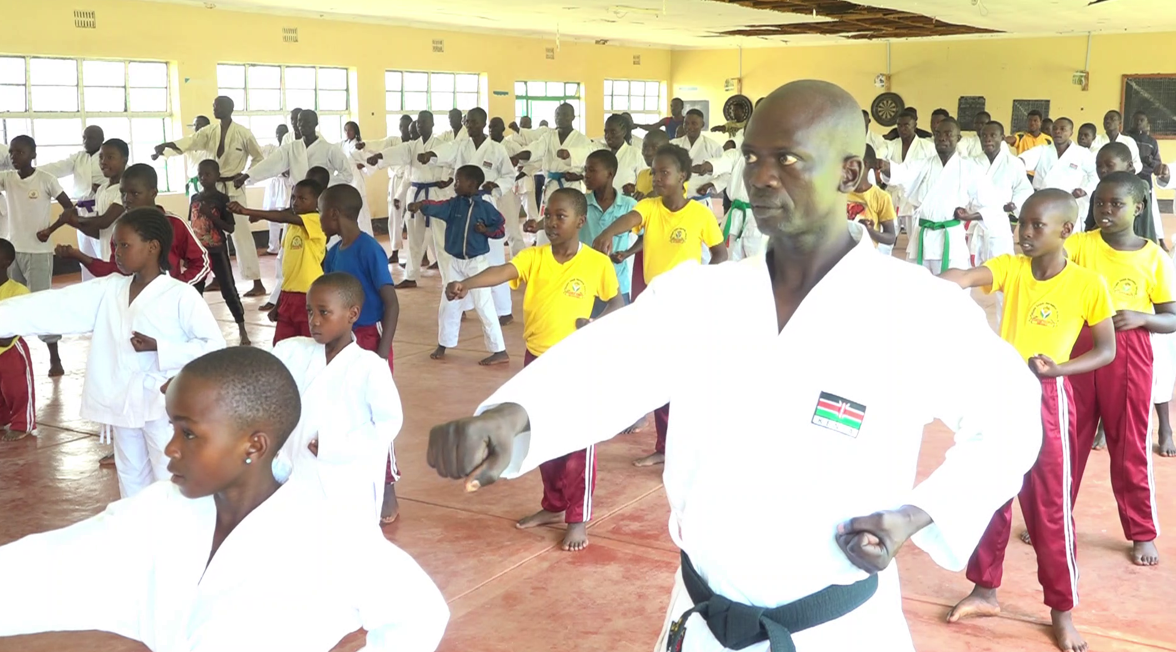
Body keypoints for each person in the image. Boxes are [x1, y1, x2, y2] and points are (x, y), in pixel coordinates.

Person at [424, 80, 1042, 652]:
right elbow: (605, 364)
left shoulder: (914, 307)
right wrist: (512, 416)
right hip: (703, 619)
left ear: (850, 172)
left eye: (788, 159)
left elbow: (1011, 419)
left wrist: (917, 515)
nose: (761, 178)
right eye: (752, 158)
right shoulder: (702, 295)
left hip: (836, 629)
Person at [0, 346, 449, 652]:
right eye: (173, 429)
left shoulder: (330, 531)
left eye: (189, 433)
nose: (171, 448)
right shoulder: (160, 510)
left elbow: (421, 612)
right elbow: (45, 566)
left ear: (254, 445)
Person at [941, 189, 1116, 652]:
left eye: (1039, 225)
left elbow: (1106, 350)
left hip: (1048, 399)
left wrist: (1060, 370)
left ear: (1066, 231)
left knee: (1050, 508)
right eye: (1023, 223)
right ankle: (984, 590)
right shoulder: (1012, 268)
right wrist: (936, 283)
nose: (1026, 233)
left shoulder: (1088, 284)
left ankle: (1062, 612)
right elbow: (964, 276)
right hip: (1002, 394)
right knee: (992, 496)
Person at [0, 208, 225, 497]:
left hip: (163, 406)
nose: (116, 253)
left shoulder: (180, 294)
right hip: (122, 402)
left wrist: (161, 348)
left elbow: (214, 348)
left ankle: (175, 524)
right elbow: (55, 306)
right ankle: (136, 523)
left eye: (124, 245)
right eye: (115, 245)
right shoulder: (110, 289)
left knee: (170, 475)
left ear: (153, 247)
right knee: (130, 476)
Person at [445, 188, 622, 551]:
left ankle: (577, 517)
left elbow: (616, 302)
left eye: (561, 216)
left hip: (576, 363)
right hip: (536, 362)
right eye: (548, 216)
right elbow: (501, 271)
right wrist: (467, 284)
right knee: (540, 437)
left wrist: (597, 324)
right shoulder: (534, 257)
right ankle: (553, 504)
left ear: (580, 221)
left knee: (576, 440)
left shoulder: (596, 263)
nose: (552, 223)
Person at [593, 143, 728, 467]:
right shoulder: (650, 207)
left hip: (687, 308)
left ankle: (690, 449)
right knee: (660, 376)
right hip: (655, 306)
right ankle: (665, 448)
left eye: (664, 172)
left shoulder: (700, 214)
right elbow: (632, 219)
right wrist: (609, 232)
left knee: (686, 379)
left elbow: (720, 254)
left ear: (683, 176)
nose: (656, 178)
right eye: (653, 172)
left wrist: (703, 285)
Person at [1068, 172, 1176, 568]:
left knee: (1129, 441)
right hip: (1080, 344)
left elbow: (1171, 317)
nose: (1107, 210)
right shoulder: (1080, 245)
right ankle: (1054, 516)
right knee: (1068, 438)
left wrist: (1142, 318)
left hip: (1129, 350)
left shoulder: (1154, 257)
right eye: (1100, 203)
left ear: (1138, 208)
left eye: (1117, 204)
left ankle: (1141, 531)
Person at [272, 272, 403, 527]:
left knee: (339, 540)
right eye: (310, 311)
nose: (314, 321)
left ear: (352, 314)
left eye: (324, 312)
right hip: (293, 473)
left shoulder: (370, 367)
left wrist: (335, 446)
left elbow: (388, 423)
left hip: (345, 479)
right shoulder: (290, 351)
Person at [319, 184, 403, 523]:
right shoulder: (334, 252)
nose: (319, 220)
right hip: (343, 339)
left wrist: (380, 356)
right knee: (346, 407)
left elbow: (391, 303)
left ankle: (388, 487)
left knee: (375, 413)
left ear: (334, 214)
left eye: (321, 213)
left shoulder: (369, 249)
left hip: (371, 336)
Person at [153, 96, 267, 298]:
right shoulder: (209, 132)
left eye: (218, 106)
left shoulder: (243, 133)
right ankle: (216, 278)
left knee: (241, 234)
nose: (215, 108)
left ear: (230, 108)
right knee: (211, 233)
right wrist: (168, 145)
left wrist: (247, 175)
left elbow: (259, 157)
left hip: (234, 188)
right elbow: (191, 141)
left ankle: (257, 282)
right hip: (212, 188)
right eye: (213, 105)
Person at [423, 107, 518, 323]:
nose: (469, 125)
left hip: (484, 205)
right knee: (460, 255)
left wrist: (496, 186)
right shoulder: (460, 146)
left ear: (483, 123)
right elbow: (446, 151)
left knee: (494, 258)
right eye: (467, 122)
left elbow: (509, 175)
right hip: (462, 207)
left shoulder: (496, 149)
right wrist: (432, 155)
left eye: (474, 122)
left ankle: (503, 309)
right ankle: (462, 304)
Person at [55, 162, 211, 293]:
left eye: (135, 193)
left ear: (153, 193)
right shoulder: (121, 229)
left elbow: (202, 262)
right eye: (122, 193)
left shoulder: (173, 223)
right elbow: (115, 271)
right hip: (134, 303)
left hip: (168, 305)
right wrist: (79, 256)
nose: (126, 199)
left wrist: (177, 287)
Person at [408, 165, 508, 365]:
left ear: (472, 184)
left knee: (484, 305)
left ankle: (499, 350)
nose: (455, 184)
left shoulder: (485, 207)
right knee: (449, 303)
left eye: (458, 181)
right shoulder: (454, 205)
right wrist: (421, 205)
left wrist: (485, 231)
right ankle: (444, 343)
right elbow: (437, 206)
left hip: (476, 265)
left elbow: (500, 229)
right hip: (455, 262)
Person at [880, 118, 1005, 274]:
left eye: (948, 134)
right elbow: (901, 172)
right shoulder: (923, 164)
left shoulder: (969, 168)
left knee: (952, 285)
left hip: (951, 241)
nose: (942, 138)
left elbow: (991, 205)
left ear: (958, 138)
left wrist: (969, 216)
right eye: (938, 134)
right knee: (917, 285)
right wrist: (884, 167)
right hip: (922, 238)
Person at [0, 136, 76, 378]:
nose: (14, 157)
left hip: (39, 253)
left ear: (33, 154)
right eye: (12, 152)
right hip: (14, 253)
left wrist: (50, 230)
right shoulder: (7, 178)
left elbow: (69, 208)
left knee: (41, 304)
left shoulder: (45, 179)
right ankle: (10, 353)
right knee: (11, 303)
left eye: (20, 152)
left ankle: (55, 357)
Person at [230, 179, 326, 345]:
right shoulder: (292, 227)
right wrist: (278, 303)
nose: (296, 202)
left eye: (302, 199)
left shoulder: (316, 220)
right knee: (281, 345)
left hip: (309, 295)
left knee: (309, 345)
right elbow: (289, 273)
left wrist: (247, 211)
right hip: (288, 295)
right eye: (293, 197)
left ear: (318, 202)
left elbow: (283, 216)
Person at [369, 110, 453, 289]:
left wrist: (449, 180)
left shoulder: (442, 145)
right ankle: (411, 276)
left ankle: (449, 279)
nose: (420, 125)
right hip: (415, 194)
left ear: (432, 124)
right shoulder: (412, 146)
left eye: (424, 122)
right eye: (419, 122)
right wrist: (380, 156)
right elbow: (397, 152)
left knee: (440, 239)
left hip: (435, 194)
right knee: (414, 238)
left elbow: (453, 162)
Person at [189, 160, 250, 345]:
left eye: (207, 174)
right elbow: (192, 223)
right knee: (194, 291)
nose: (203, 177)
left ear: (216, 176)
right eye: (200, 174)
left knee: (228, 289)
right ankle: (193, 329)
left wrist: (210, 214)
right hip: (198, 253)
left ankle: (242, 328)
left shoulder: (222, 199)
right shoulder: (194, 198)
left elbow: (230, 228)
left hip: (217, 250)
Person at [36, 125, 105, 278]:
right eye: (84, 138)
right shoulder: (78, 157)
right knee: (85, 256)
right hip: (81, 210)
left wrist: (103, 188)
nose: (86, 141)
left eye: (90, 138)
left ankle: (108, 286)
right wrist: (33, 170)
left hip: (102, 210)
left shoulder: (109, 157)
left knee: (103, 254)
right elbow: (57, 168)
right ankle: (88, 286)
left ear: (102, 139)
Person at [235, 110, 353, 190]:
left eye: (307, 122)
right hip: (298, 198)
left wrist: (323, 183)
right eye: (299, 121)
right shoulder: (291, 147)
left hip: (322, 198)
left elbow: (347, 175)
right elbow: (271, 163)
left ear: (316, 123)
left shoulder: (329, 149)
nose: (302, 125)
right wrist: (247, 176)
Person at [973, 121, 1033, 269]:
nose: (988, 139)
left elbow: (1023, 188)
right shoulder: (971, 163)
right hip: (974, 221)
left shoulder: (1014, 163)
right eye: (984, 136)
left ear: (1002, 138)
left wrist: (1014, 204)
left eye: (993, 135)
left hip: (999, 221)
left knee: (1002, 267)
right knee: (971, 267)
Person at [512, 103, 594, 210]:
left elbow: (589, 164)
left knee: (570, 215)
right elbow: (535, 149)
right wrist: (517, 157)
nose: (560, 118)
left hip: (571, 186)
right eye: (557, 114)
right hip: (551, 186)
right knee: (549, 216)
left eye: (565, 114)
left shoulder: (583, 140)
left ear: (573, 117)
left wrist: (579, 176)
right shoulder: (548, 137)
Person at [583, 149, 637, 303]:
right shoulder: (580, 202)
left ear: (610, 174)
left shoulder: (628, 205)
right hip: (585, 281)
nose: (586, 175)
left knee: (617, 317)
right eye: (585, 170)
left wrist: (627, 253)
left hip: (617, 282)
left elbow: (645, 235)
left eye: (592, 170)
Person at [1020, 118, 1098, 223]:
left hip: (1068, 203)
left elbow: (1095, 174)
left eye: (1062, 129)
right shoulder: (1042, 150)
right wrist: (1018, 163)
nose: (1057, 131)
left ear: (1071, 132)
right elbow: (1021, 161)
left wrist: (1085, 190)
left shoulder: (1082, 153)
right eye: (1055, 128)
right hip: (1043, 202)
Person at [1083, 142, 1163, 243]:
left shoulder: (1138, 188)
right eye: (1099, 166)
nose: (1102, 170)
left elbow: (1138, 229)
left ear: (1129, 165)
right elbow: (1088, 229)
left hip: (1135, 248)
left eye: (1109, 165)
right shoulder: (1097, 194)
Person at [879, 110, 935, 235]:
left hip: (914, 199)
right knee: (886, 237)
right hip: (893, 197)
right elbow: (880, 155)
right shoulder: (890, 145)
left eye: (906, 125)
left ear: (915, 125)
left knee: (914, 238)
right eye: (899, 125)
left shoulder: (927, 146)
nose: (902, 129)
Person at [0, 238, 33, 442]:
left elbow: (7, 338)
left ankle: (22, 423)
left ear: (7, 262)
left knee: (17, 389)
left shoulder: (18, 291)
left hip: (11, 350)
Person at [671, 109, 725, 219]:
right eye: (686, 123)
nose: (689, 127)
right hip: (676, 202)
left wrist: (710, 185)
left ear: (702, 125)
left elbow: (726, 172)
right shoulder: (674, 144)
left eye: (694, 123)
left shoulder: (713, 147)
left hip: (701, 201)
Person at [847, 145, 897, 252]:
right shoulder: (840, 193)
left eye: (851, 163)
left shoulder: (881, 197)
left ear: (864, 164)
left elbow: (891, 237)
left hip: (866, 255)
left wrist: (870, 231)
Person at [492, 116, 529, 256]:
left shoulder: (511, 146)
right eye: (490, 127)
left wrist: (517, 162)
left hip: (507, 190)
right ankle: (493, 260)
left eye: (495, 127)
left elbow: (528, 159)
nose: (491, 130)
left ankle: (520, 259)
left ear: (502, 129)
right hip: (489, 190)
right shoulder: (486, 146)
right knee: (490, 228)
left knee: (512, 228)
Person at [340, 120, 375, 236]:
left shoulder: (360, 145)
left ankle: (366, 236)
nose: (347, 133)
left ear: (355, 131)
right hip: (346, 181)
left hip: (357, 181)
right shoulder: (343, 145)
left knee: (362, 213)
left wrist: (364, 166)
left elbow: (369, 161)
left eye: (350, 130)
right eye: (346, 130)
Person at [597, 114, 646, 195]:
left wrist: (634, 188)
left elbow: (644, 184)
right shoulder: (600, 152)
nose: (608, 136)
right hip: (600, 199)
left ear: (624, 132)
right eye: (606, 132)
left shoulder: (635, 154)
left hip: (626, 200)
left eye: (613, 132)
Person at [263, 123, 292, 256]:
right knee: (271, 215)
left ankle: (285, 246)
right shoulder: (272, 149)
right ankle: (273, 246)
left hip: (285, 183)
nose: (280, 135)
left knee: (286, 214)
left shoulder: (290, 149)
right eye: (278, 133)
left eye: (282, 133)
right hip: (273, 183)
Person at [1130, 111, 1162, 185]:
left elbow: (1158, 164)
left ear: (1147, 123)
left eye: (1142, 120)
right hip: (1129, 175)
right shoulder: (1126, 137)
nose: (1138, 122)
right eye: (1136, 120)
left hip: (1145, 177)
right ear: (1132, 122)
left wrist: (1151, 162)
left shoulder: (1152, 142)